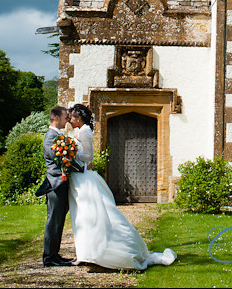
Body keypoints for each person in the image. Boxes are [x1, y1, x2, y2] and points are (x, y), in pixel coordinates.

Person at [66, 103, 177, 270]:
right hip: (78, 178)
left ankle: (107, 250)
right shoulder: (78, 131)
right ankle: (86, 252)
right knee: (82, 216)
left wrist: (71, 152)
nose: (70, 119)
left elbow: (89, 156)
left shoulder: (85, 131)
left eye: (72, 117)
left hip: (84, 179)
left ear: (79, 118)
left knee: (94, 214)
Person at [39, 105, 85, 267]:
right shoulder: (50, 137)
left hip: (62, 184)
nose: (67, 119)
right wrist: (81, 168)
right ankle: (49, 258)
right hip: (55, 185)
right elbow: (61, 160)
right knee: (53, 221)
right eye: (65, 116)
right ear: (56, 118)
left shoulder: (58, 135)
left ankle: (55, 255)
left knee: (58, 221)